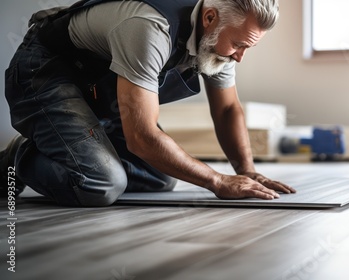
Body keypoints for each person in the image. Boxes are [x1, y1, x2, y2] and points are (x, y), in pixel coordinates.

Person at [1, 0, 296, 206]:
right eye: (238, 45)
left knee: (159, 178)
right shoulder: (150, 28)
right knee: (101, 184)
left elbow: (228, 108)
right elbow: (141, 138)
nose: (239, 56)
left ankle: (78, 146)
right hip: (45, 71)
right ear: (209, 18)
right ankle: (18, 158)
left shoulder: (220, 39)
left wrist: (246, 170)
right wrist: (218, 181)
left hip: (98, 91)